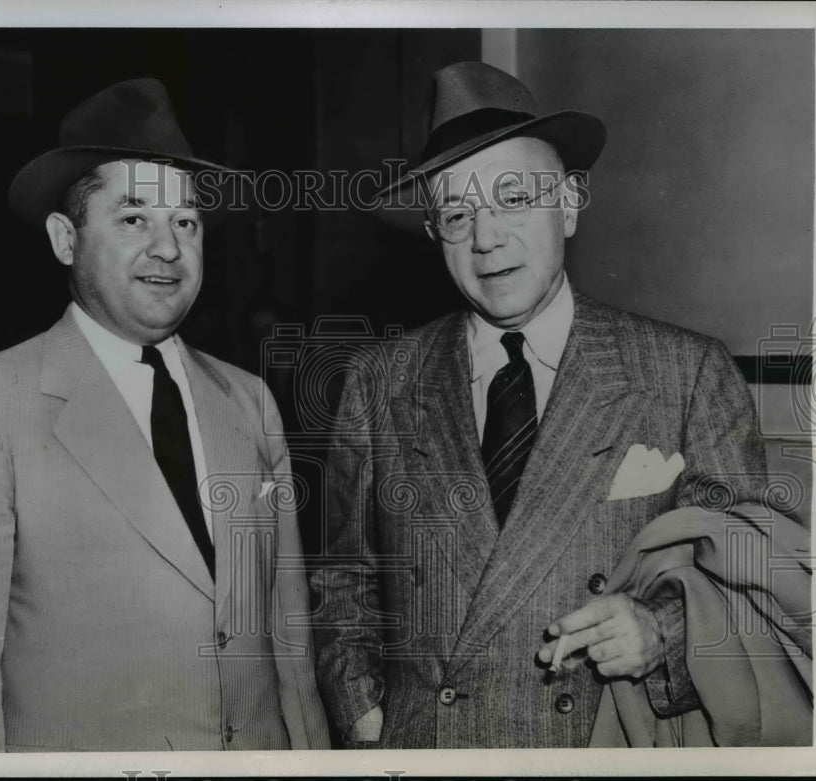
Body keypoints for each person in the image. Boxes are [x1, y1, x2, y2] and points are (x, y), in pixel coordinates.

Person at [310, 61, 769, 748]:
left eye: (514, 199)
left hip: (603, 743)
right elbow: (343, 577)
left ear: (570, 203)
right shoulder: (379, 381)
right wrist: (364, 714)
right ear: (434, 234)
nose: (486, 238)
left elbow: (752, 573)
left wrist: (661, 631)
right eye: (457, 214)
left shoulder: (686, 371)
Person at [0, 78, 329, 752]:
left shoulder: (249, 401)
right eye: (133, 219)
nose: (168, 248)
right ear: (66, 239)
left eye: (185, 221)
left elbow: (289, 640)